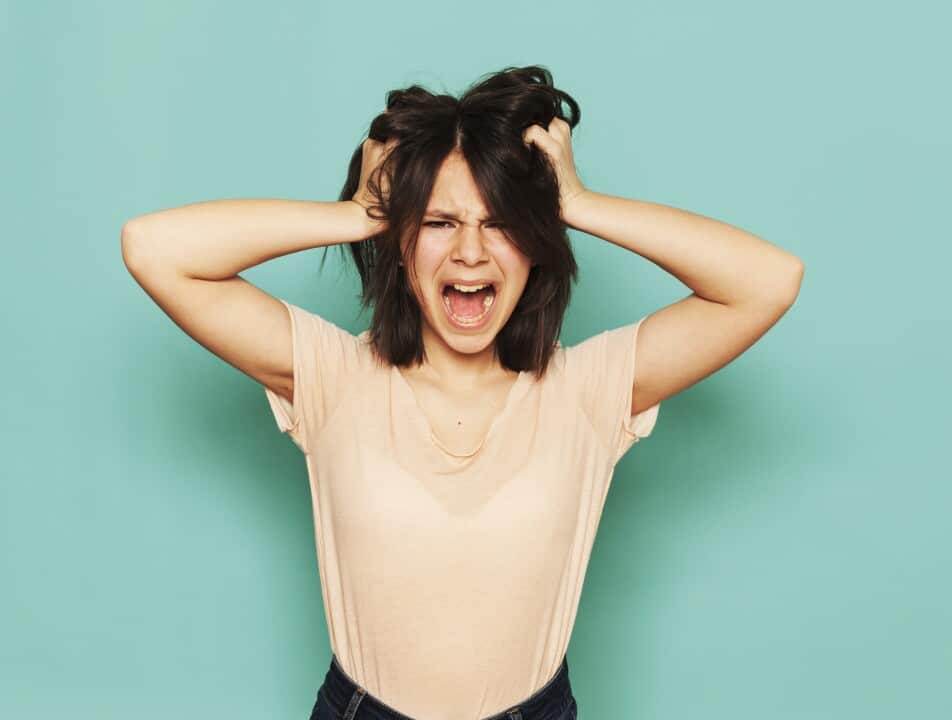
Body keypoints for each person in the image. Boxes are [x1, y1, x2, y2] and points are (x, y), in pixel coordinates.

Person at [121, 65, 803, 720]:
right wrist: (359, 214)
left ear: (535, 244)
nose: (470, 253)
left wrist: (581, 205)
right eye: (440, 222)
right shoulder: (330, 374)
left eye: (500, 222)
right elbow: (154, 248)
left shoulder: (592, 389)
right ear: (401, 240)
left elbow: (768, 280)